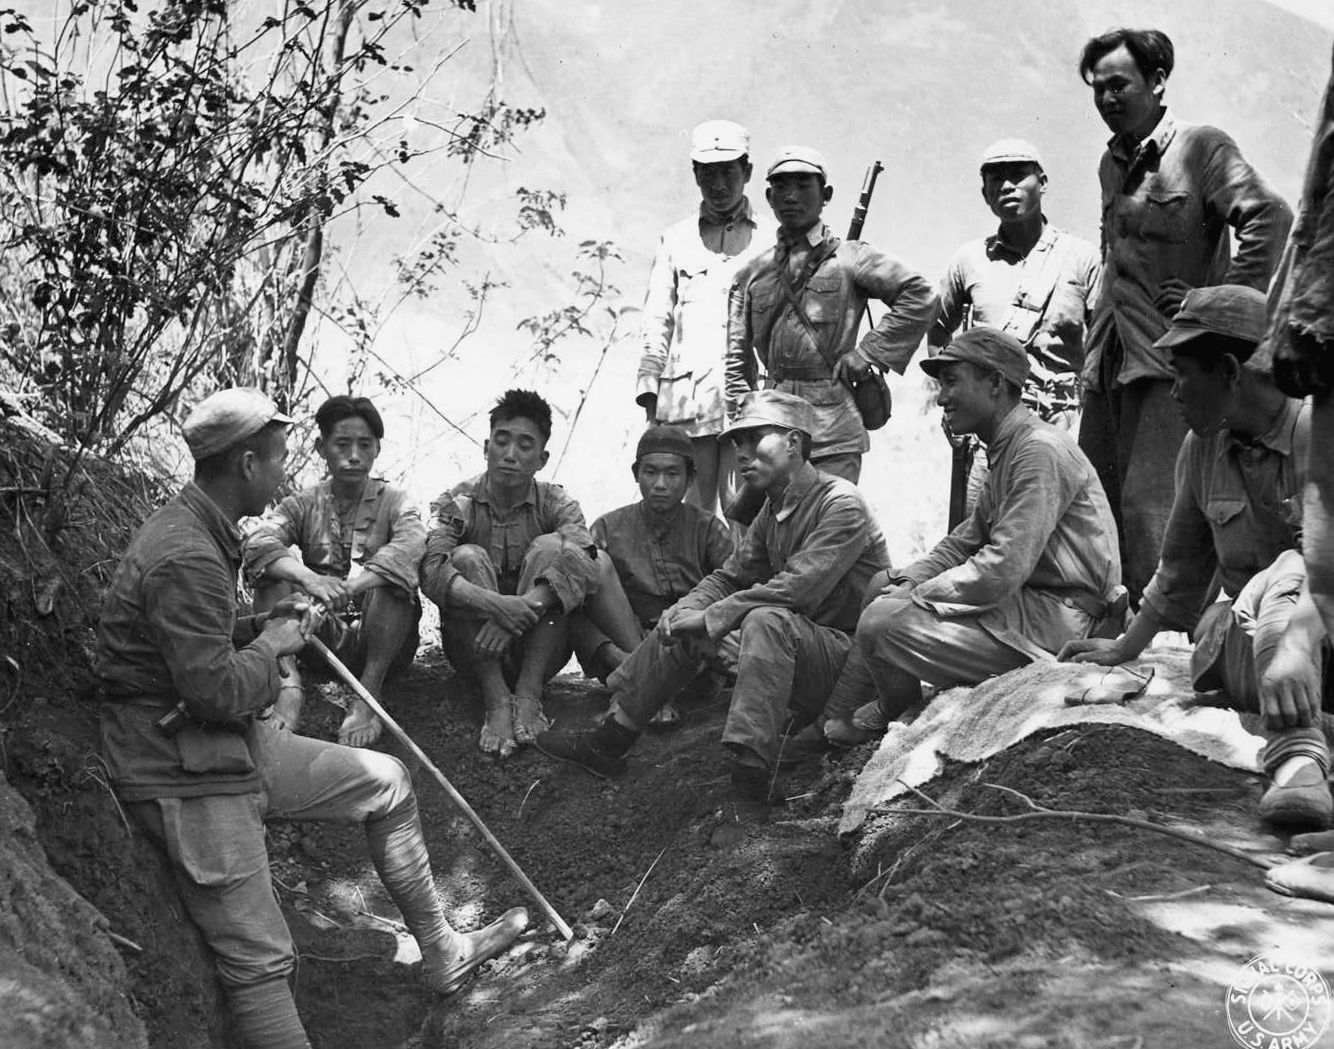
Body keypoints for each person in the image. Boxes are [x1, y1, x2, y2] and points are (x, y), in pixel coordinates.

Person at [94, 388, 528, 1049]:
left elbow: (194, 649)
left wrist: (259, 624)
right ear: (244, 463)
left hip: (223, 747)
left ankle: (441, 951)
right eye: (275, 458)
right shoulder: (187, 552)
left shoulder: (200, 532)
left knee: (387, 781)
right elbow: (213, 689)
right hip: (184, 772)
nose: (282, 471)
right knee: (263, 959)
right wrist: (273, 645)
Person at [536, 390, 890, 832]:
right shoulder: (773, 510)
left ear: (795, 443)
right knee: (698, 620)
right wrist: (686, 610)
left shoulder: (841, 503)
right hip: (801, 655)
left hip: (849, 673)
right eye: (736, 444)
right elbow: (730, 576)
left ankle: (749, 788)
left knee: (765, 619)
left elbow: (798, 587)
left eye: (754, 438)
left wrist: (712, 616)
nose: (739, 454)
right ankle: (612, 739)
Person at [1062, 287, 1332, 830]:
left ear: (1230, 371)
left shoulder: (1319, 430)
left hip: (1319, 639)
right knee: (1256, 599)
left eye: (1182, 373)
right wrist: (1124, 647)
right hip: (1256, 650)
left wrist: (1300, 637)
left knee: (1292, 570)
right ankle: (1300, 757)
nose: (1174, 393)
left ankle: (1302, 748)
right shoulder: (1201, 448)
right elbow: (1179, 571)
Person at [821, 327, 1122, 745]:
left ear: (995, 384)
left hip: (1062, 624)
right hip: (1030, 605)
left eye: (951, 382)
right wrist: (908, 578)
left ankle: (892, 709)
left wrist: (918, 595)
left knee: (879, 623)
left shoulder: (1037, 451)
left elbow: (1000, 568)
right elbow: (968, 539)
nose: (942, 398)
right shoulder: (1008, 446)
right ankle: (879, 709)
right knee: (880, 587)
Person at [1076, 27, 1292, 602]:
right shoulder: (1110, 162)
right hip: (1110, 360)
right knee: (1098, 509)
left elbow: (1269, 217)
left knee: (1155, 513)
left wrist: (1219, 310)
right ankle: (1120, 637)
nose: (1107, 100)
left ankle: (1167, 656)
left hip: (1170, 364)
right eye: (1097, 90)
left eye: (1119, 85)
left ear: (1158, 81)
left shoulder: (1202, 149)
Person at [420, 389, 629, 758]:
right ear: (486, 447)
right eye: (502, 441)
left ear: (542, 458)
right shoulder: (456, 502)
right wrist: (497, 605)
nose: (510, 455)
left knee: (554, 549)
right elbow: (430, 567)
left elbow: (585, 557)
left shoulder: (557, 502)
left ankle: (529, 694)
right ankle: (497, 698)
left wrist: (521, 608)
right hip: (473, 648)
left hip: (541, 647)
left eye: (525, 445)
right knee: (466, 557)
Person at [724, 145, 935, 485]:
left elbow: (920, 294)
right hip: (771, 429)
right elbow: (737, 363)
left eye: (803, 185)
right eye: (781, 186)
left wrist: (868, 353)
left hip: (832, 428)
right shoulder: (751, 275)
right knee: (773, 534)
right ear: (769, 196)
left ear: (826, 195)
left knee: (832, 530)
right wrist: (745, 430)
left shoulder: (851, 258)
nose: (791, 196)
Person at [243, 395, 423, 748]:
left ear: (377, 450)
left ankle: (368, 696)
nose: (354, 455)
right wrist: (310, 580)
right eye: (342, 444)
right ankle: (288, 685)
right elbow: (257, 542)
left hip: (384, 641)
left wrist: (355, 585)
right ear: (321, 447)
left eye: (364, 445)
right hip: (318, 634)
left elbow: (411, 546)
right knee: (272, 572)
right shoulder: (301, 503)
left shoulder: (397, 502)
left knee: (395, 582)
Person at [635, 119, 768, 513]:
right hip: (683, 405)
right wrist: (649, 392)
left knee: (747, 519)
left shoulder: (771, 239)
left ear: (747, 172)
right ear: (695, 175)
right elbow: (657, 318)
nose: (719, 184)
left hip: (750, 404)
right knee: (685, 519)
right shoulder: (675, 239)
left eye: (728, 172)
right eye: (707, 173)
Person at [569, 424, 735, 722]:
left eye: (672, 474)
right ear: (636, 474)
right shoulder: (607, 528)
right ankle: (645, 686)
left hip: (688, 647)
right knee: (593, 566)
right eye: (650, 472)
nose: (660, 484)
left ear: (690, 479)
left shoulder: (709, 529)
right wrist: (611, 654)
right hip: (625, 647)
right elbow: (578, 609)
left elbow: (733, 593)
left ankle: (640, 692)